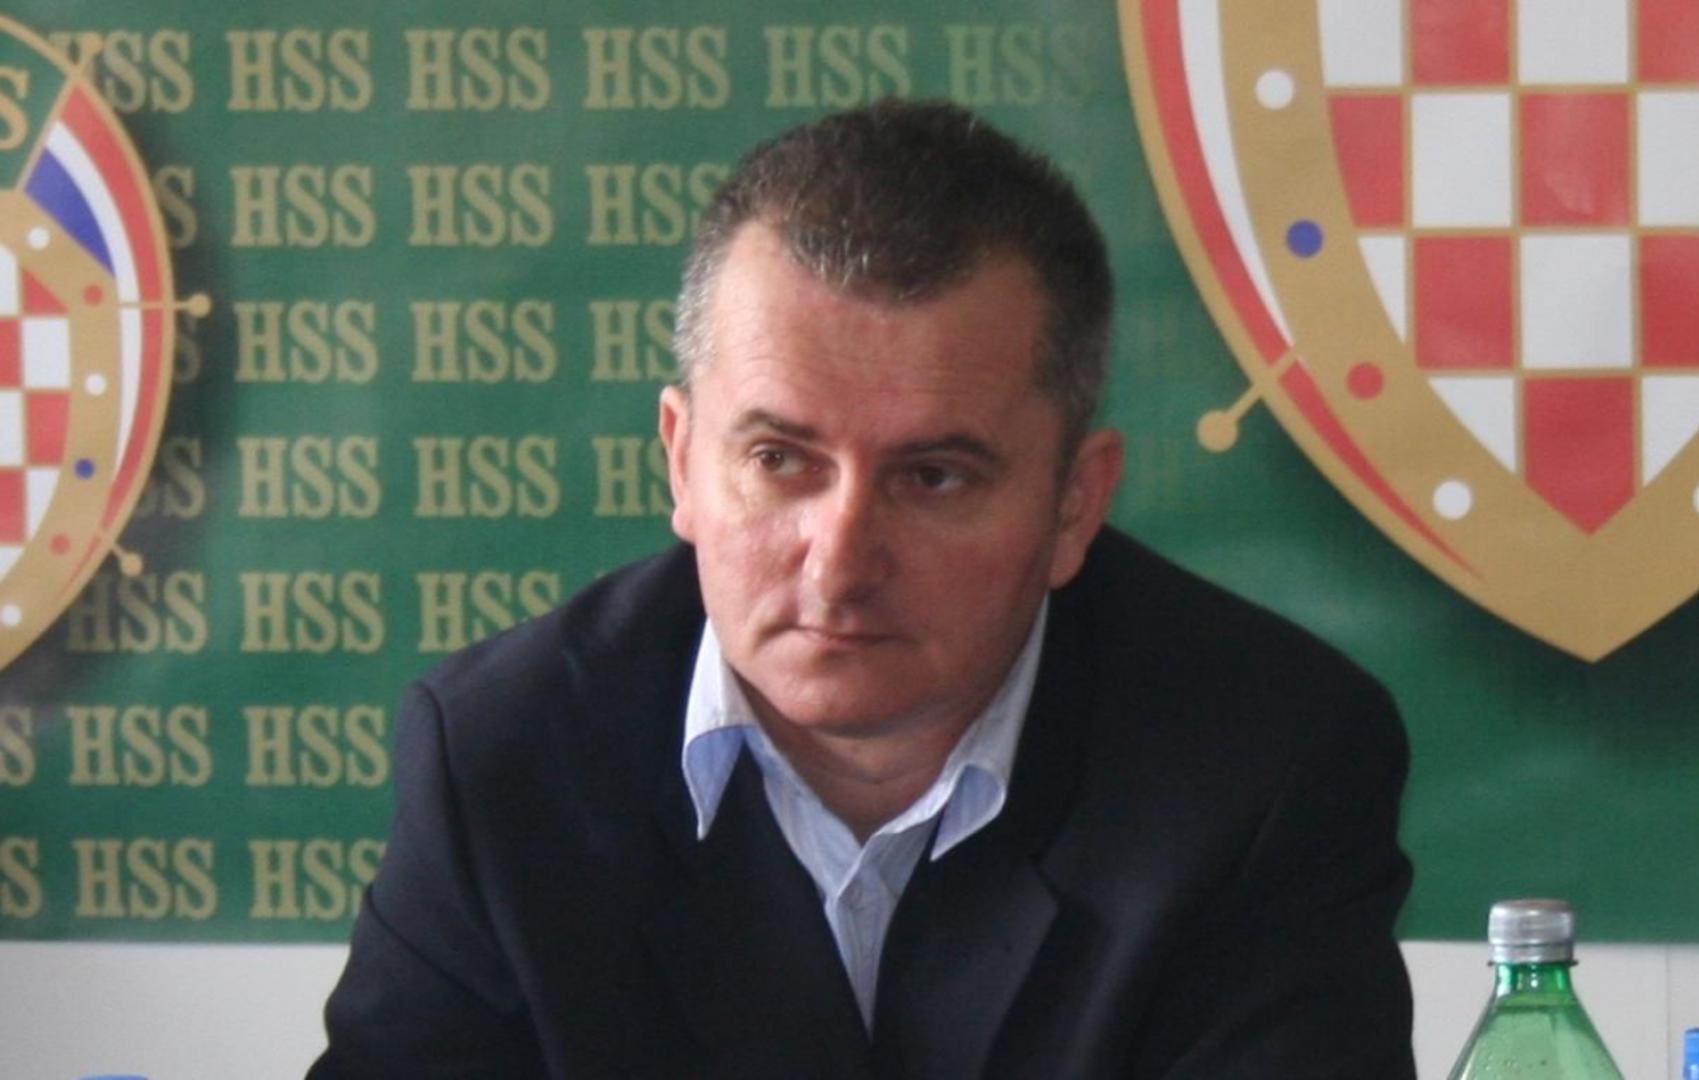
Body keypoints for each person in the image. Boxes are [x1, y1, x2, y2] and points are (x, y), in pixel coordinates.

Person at [311, 100, 1414, 1078]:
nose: (837, 564)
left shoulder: (1267, 765)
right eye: (779, 460)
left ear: (1073, 505)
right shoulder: (504, 758)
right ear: (681, 462)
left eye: (932, 478)